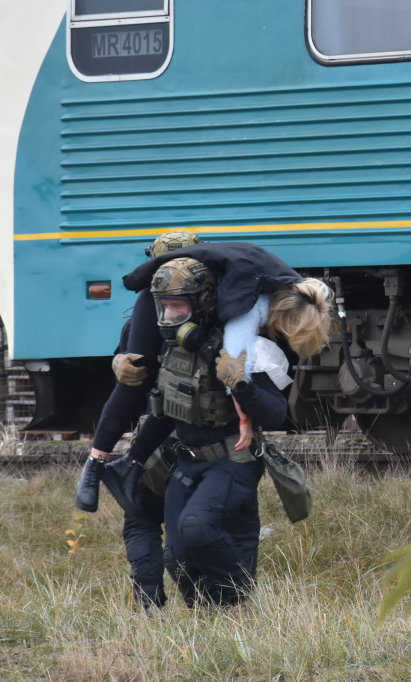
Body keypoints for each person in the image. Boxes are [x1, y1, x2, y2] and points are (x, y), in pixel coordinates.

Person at [116, 244, 331, 607]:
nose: (172, 311)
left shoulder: (246, 342)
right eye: (166, 301)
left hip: (231, 460)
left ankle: (238, 602)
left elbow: (277, 414)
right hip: (185, 460)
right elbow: (158, 400)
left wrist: (240, 384)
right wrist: (121, 366)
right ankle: (211, 617)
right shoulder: (166, 331)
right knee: (178, 560)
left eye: (179, 301)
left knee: (198, 528)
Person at [74, 230, 203, 611]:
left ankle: (150, 605)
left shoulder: (142, 321)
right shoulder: (218, 317)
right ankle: (201, 605)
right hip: (205, 439)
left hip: (152, 440)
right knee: (191, 528)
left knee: (141, 519)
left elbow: (128, 387)